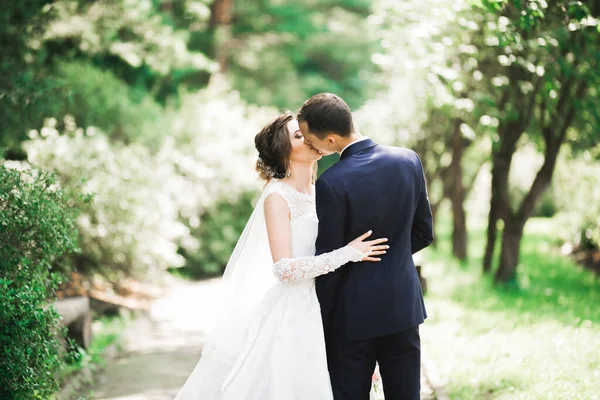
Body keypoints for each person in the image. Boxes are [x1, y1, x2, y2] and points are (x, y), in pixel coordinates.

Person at [173, 110, 388, 400]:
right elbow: (284, 269)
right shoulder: (277, 196)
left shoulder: (322, 190)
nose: (309, 137)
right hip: (293, 312)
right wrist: (347, 254)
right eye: (299, 135)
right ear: (284, 150)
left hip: (329, 305)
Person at [298, 93, 434, 400]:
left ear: (330, 140)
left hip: (351, 318)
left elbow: (330, 261)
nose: (310, 146)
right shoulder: (408, 160)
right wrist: (392, 255)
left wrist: (322, 320)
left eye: (310, 140)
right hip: (403, 308)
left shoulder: (332, 183)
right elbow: (424, 233)